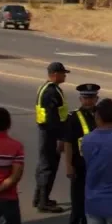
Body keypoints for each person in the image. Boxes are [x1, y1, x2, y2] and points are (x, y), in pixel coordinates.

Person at [63, 83, 100, 224]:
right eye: (85, 98)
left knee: (92, 204)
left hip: (96, 167)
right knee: (78, 206)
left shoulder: (100, 116)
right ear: (80, 99)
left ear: (96, 99)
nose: (89, 101)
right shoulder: (73, 117)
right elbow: (68, 143)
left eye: (91, 98)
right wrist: (69, 165)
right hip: (80, 167)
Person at [34, 61, 69, 213]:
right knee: (48, 167)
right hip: (50, 134)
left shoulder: (47, 88)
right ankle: (43, 202)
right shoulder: (51, 92)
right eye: (63, 73)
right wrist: (61, 138)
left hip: (46, 132)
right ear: (54, 75)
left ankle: (39, 198)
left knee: (44, 165)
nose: (65, 75)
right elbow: (53, 119)